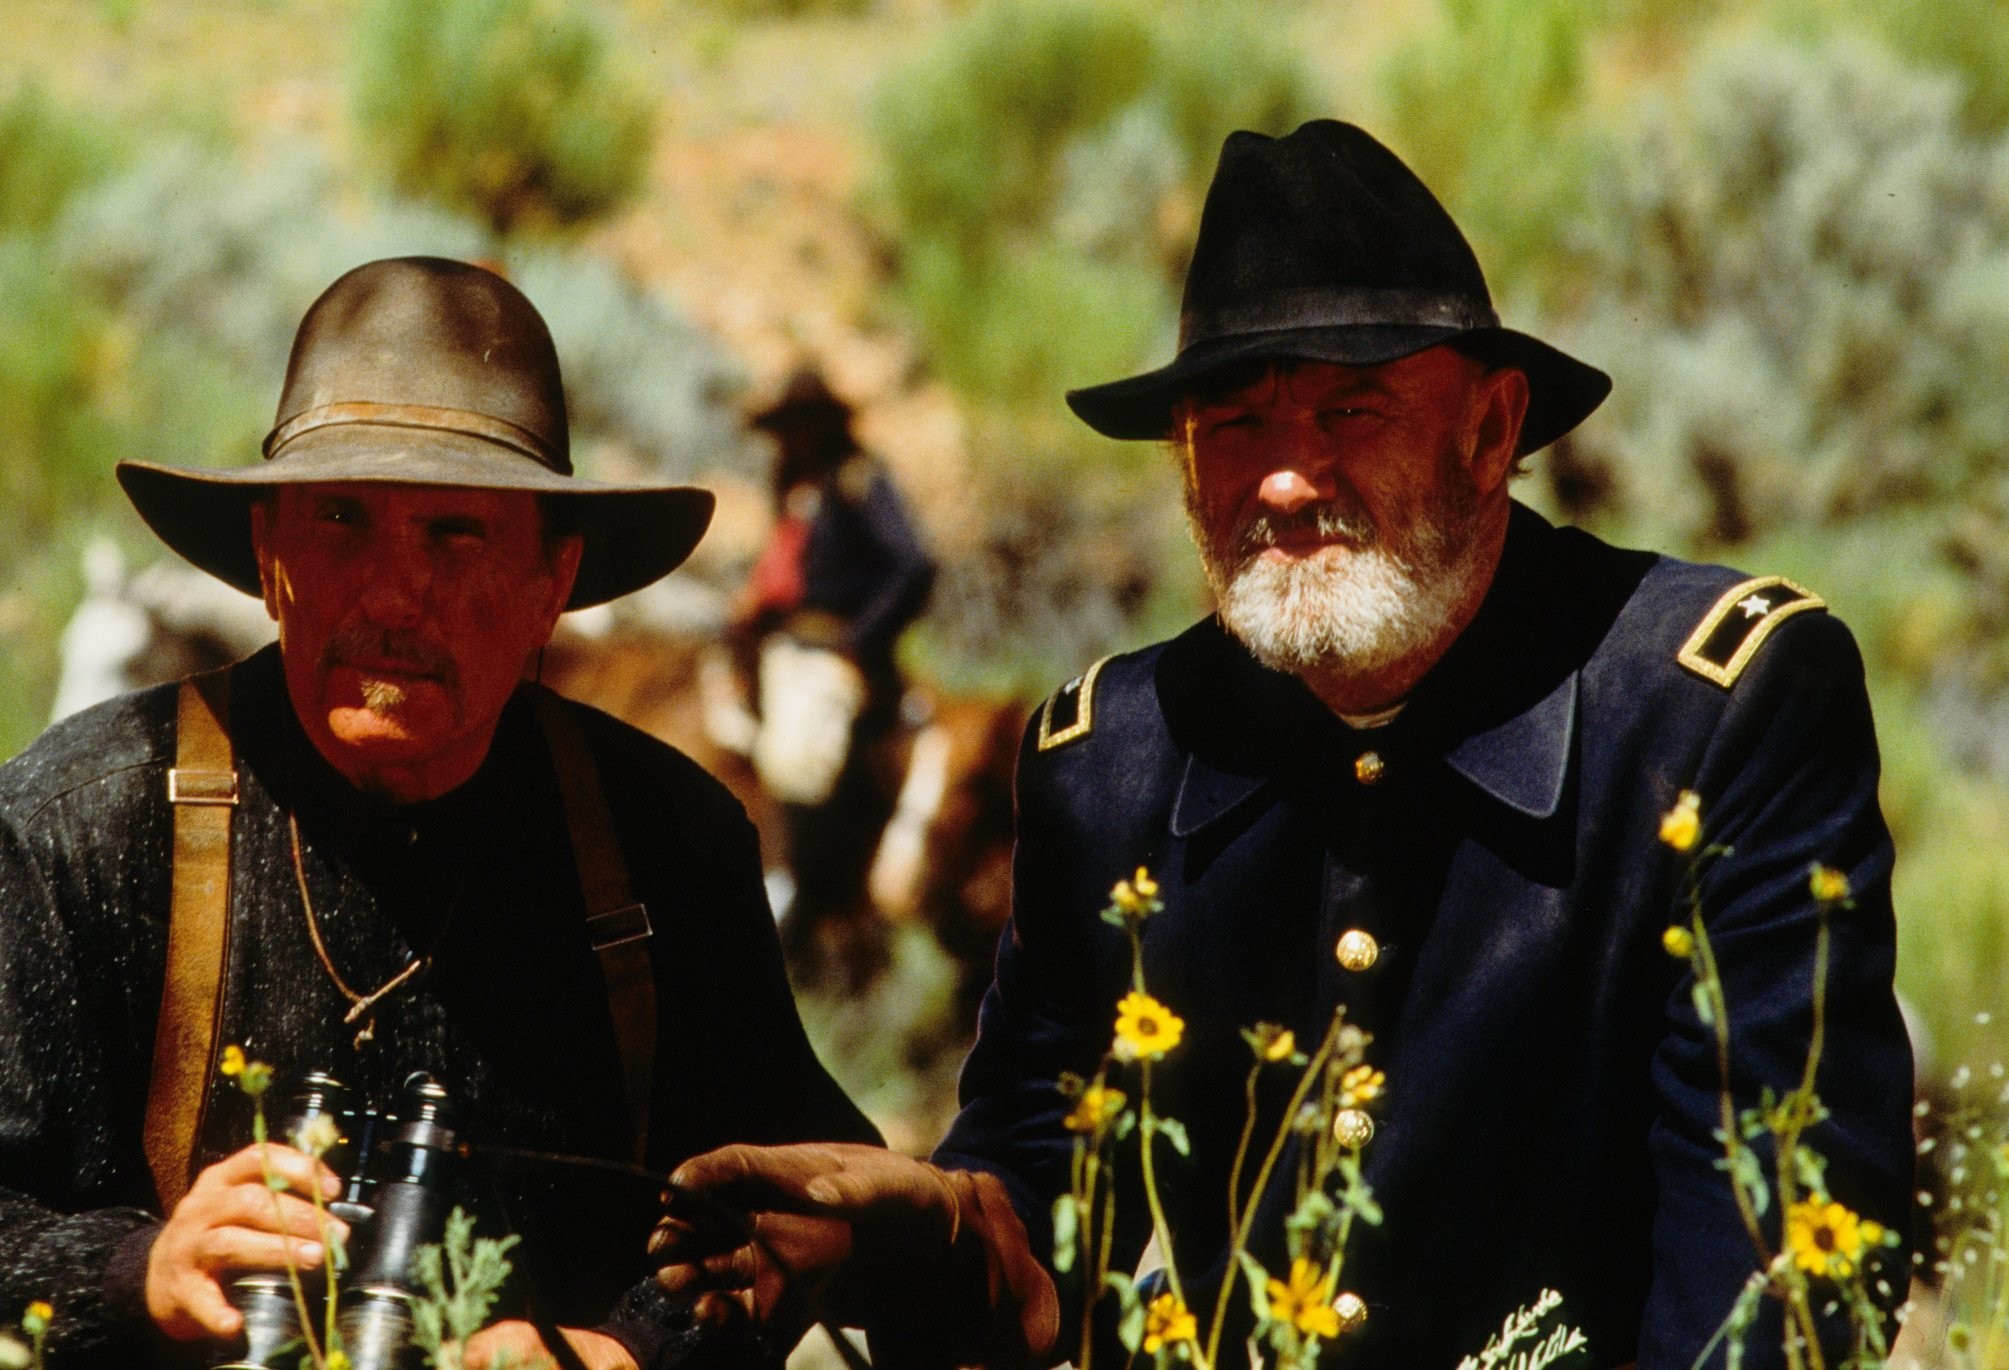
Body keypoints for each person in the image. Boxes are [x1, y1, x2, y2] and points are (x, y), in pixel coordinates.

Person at [649, 121, 1917, 1368]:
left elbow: (1775, 1273)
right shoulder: (1110, 754)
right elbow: (1038, 1204)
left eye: (1348, 407)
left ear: (1489, 430)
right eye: (1235, 423)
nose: (1281, 479)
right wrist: (910, 1232)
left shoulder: (1711, 706)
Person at [0, 257, 878, 1368]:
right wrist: (142, 1271)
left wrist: (632, 1349)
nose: (390, 595)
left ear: (552, 583)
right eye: (340, 517)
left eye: (456, 533)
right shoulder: (82, 826)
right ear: (269, 558)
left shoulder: (664, 843)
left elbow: (802, 1194)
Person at [726, 368, 935, 979]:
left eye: (800, 426)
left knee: (799, 760)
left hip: (829, 656)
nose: (790, 439)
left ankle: (799, 894)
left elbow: (913, 566)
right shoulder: (794, 483)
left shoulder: (857, 479)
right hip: (781, 647)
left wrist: (856, 641)